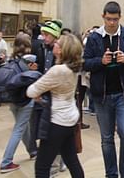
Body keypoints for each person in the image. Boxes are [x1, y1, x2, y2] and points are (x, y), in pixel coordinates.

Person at [83, 1, 124, 178]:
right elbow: (85, 62)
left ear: (120, 18)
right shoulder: (94, 38)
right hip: (102, 96)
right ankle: (111, 174)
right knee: (107, 138)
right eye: (109, 19)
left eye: (115, 19)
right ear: (103, 16)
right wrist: (100, 62)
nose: (112, 23)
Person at [27, 34, 85, 178]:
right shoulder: (73, 67)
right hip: (69, 118)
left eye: (58, 43)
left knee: (41, 166)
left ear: (62, 50)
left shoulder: (58, 70)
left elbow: (31, 91)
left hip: (57, 121)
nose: (55, 44)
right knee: (71, 160)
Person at [0, 34, 39, 173]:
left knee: (22, 126)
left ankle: (32, 150)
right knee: (19, 129)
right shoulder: (30, 59)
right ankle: (6, 161)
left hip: (13, 98)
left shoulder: (12, 58)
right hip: (25, 98)